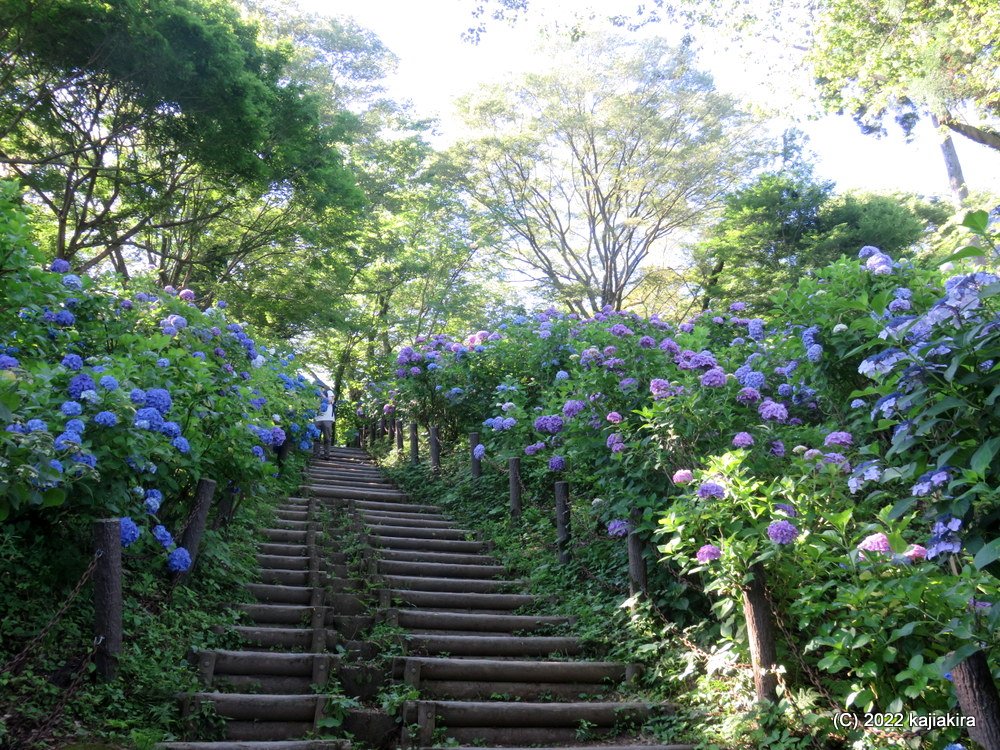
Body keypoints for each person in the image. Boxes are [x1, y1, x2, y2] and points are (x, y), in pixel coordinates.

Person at [315, 388, 335, 458]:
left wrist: (322, 395)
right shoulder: (313, 393)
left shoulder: (329, 392)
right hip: (317, 418)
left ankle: (326, 455)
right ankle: (316, 454)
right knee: (316, 437)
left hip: (327, 419)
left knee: (327, 438)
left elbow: (329, 401)